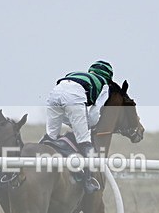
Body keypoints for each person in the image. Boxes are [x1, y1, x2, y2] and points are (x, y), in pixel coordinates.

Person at [44, 60, 114, 192]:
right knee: (85, 142)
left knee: (50, 136)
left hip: (54, 94)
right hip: (74, 97)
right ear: (108, 77)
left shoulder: (76, 74)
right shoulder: (105, 85)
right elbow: (94, 115)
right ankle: (88, 181)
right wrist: (86, 127)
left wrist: (76, 123)